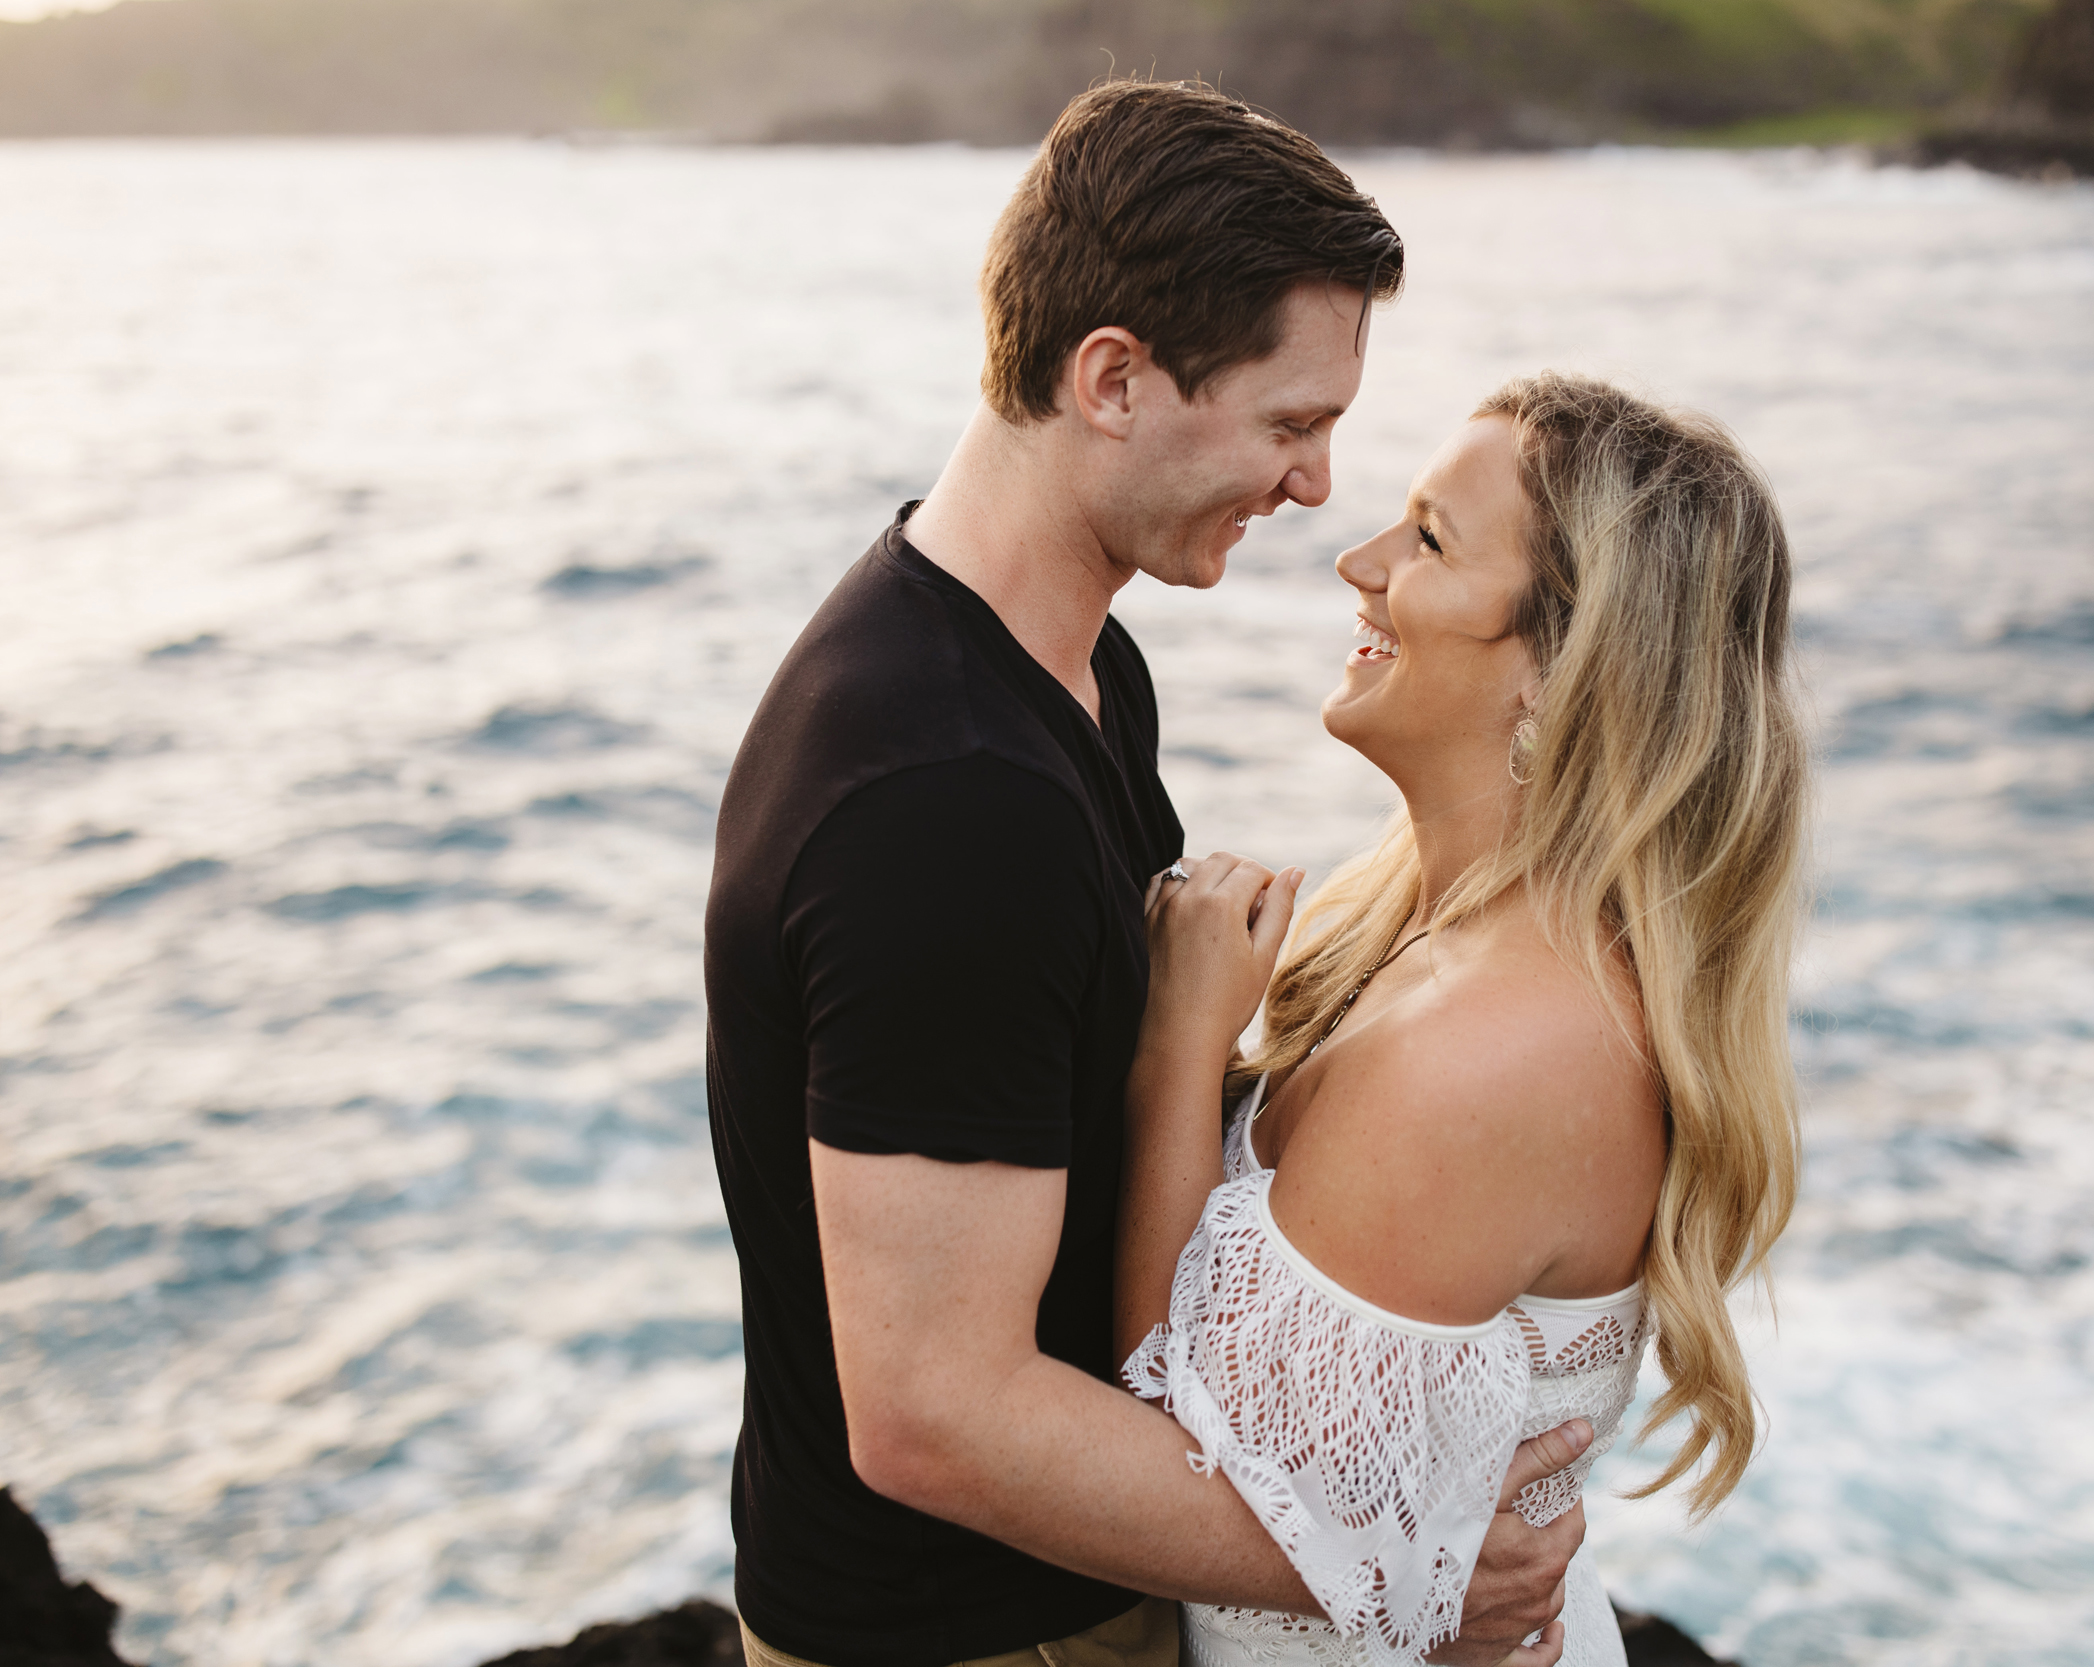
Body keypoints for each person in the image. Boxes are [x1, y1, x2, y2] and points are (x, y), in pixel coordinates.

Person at [704, 80, 1591, 1667]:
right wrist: (1396, 1572)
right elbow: (934, 1416)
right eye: (1290, 424)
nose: (1317, 486)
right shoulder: (944, 800)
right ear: (1112, 378)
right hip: (959, 1640)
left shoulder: (1079, 671)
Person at [1117, 373, 1810, 1667]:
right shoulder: (1424, 940)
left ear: (1562, 666)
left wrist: (1177, 1054)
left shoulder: (1493, 1058)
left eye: (1428, 540)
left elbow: (1163, 1464)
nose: (1357, 560)